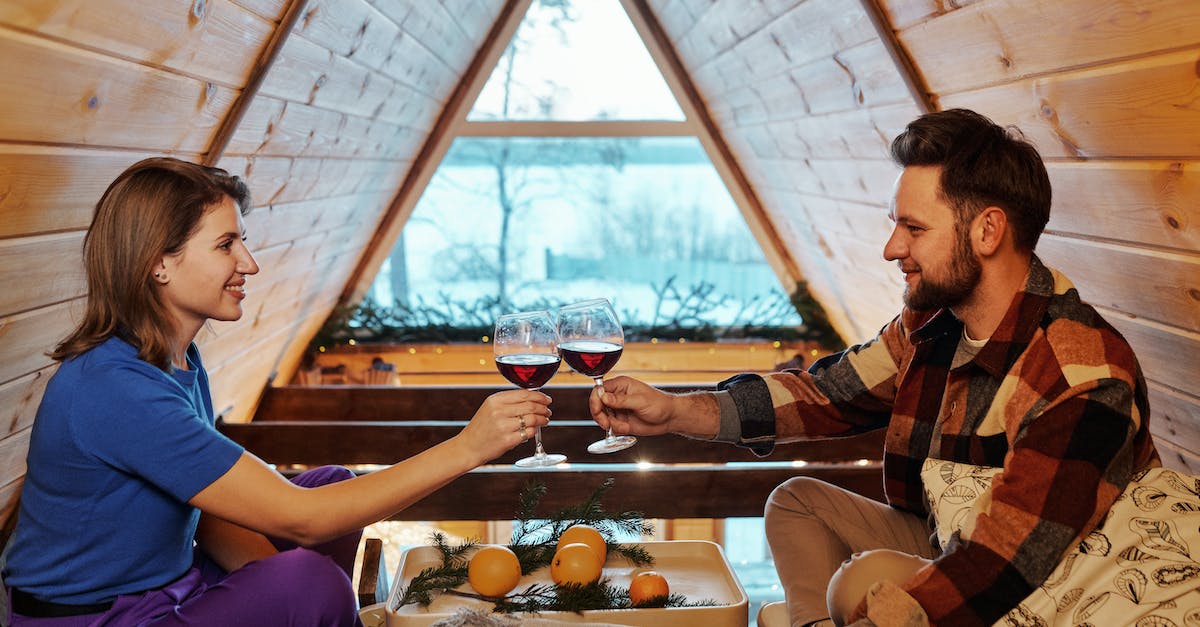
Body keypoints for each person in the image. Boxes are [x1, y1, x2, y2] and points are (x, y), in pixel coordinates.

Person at [588, 109, 1159, 626]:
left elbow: (1012, 558)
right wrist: (673, 412)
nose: (890, 248)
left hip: (1052, 580)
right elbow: (825, 395)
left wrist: (892, 609)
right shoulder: (931, 319)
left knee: (865, 581)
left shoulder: (1082, 372)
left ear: (988, 231)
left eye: (913, 228)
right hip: (945, 536)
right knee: (796, 501)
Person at [2, 158, 553, 626]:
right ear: (158, 264)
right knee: (311, 576)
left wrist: (270, 588)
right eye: (226, 244)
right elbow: (303, 519)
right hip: (98, 617)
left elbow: (212, 510)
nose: (250, 263)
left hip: (170, 584)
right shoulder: (113, 388)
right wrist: (466, 448)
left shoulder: (177, 357)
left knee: (330, 490)